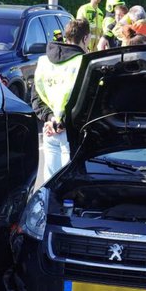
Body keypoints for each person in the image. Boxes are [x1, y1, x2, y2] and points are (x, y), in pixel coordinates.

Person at [32, 18, 93, 183]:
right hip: (71, 132)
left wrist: (50, 119)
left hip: (50, 129)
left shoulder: (44, 61)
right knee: (69, 185)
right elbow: (87, 101)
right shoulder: (84, 63)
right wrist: (62, 122)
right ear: (86, 38)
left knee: (49, 184)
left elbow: (37, 97)